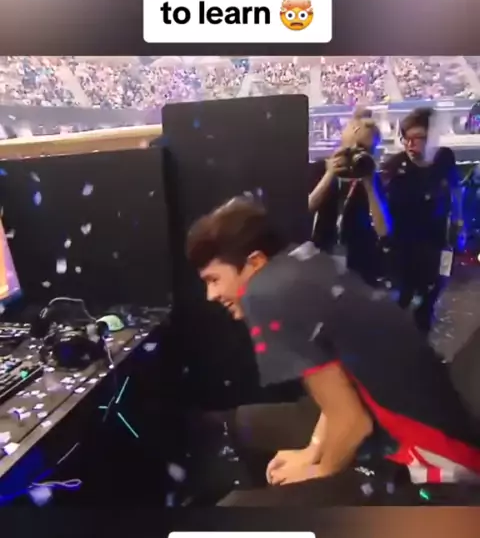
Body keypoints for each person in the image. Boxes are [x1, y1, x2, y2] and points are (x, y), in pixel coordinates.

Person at [186, 199, 480, 505]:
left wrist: (319, 471)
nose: (211, 295)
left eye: (214, 280)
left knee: (231, 510)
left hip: (434, 459)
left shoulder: (265, 295)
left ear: (255, 262)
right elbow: (343, 386)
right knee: (224, 426)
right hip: (407, 422)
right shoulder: (301, 265)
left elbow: (353, 424)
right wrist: (312, 450)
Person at [382, 107, 465, 334]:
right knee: (402, 299)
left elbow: (456, 189)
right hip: (404, 245)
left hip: (436, 240)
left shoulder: (444, 158)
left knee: (433, 293)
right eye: (406, 138)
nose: (410, 144)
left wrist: (459, 223)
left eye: (418, 138)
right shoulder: (393, 168)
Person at [309, 113, 391, 286]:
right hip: (322, 258)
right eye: (355, 146)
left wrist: (369, 185)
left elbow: (383, 229)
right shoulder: (319, 169)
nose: (357, 153)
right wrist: (330, 174)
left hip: (359, 264)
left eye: (365, 149)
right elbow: (307, 208)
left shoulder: (372, 178)